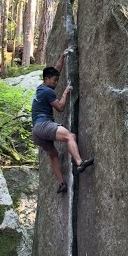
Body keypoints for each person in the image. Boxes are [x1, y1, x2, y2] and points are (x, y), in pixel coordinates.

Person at [32, 48, 94, 193]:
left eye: (57, 80)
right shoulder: (48, 91)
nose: (56, 82)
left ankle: (61, 184)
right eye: (54, 80)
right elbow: (60, 107)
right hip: (43, 125)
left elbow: (56, 70)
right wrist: (65, 92)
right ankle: (79, 162)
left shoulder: (41, 88)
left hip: (36, 132)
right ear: (46, 79)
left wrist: (62, 56)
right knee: (69, 136)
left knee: (53, 155)